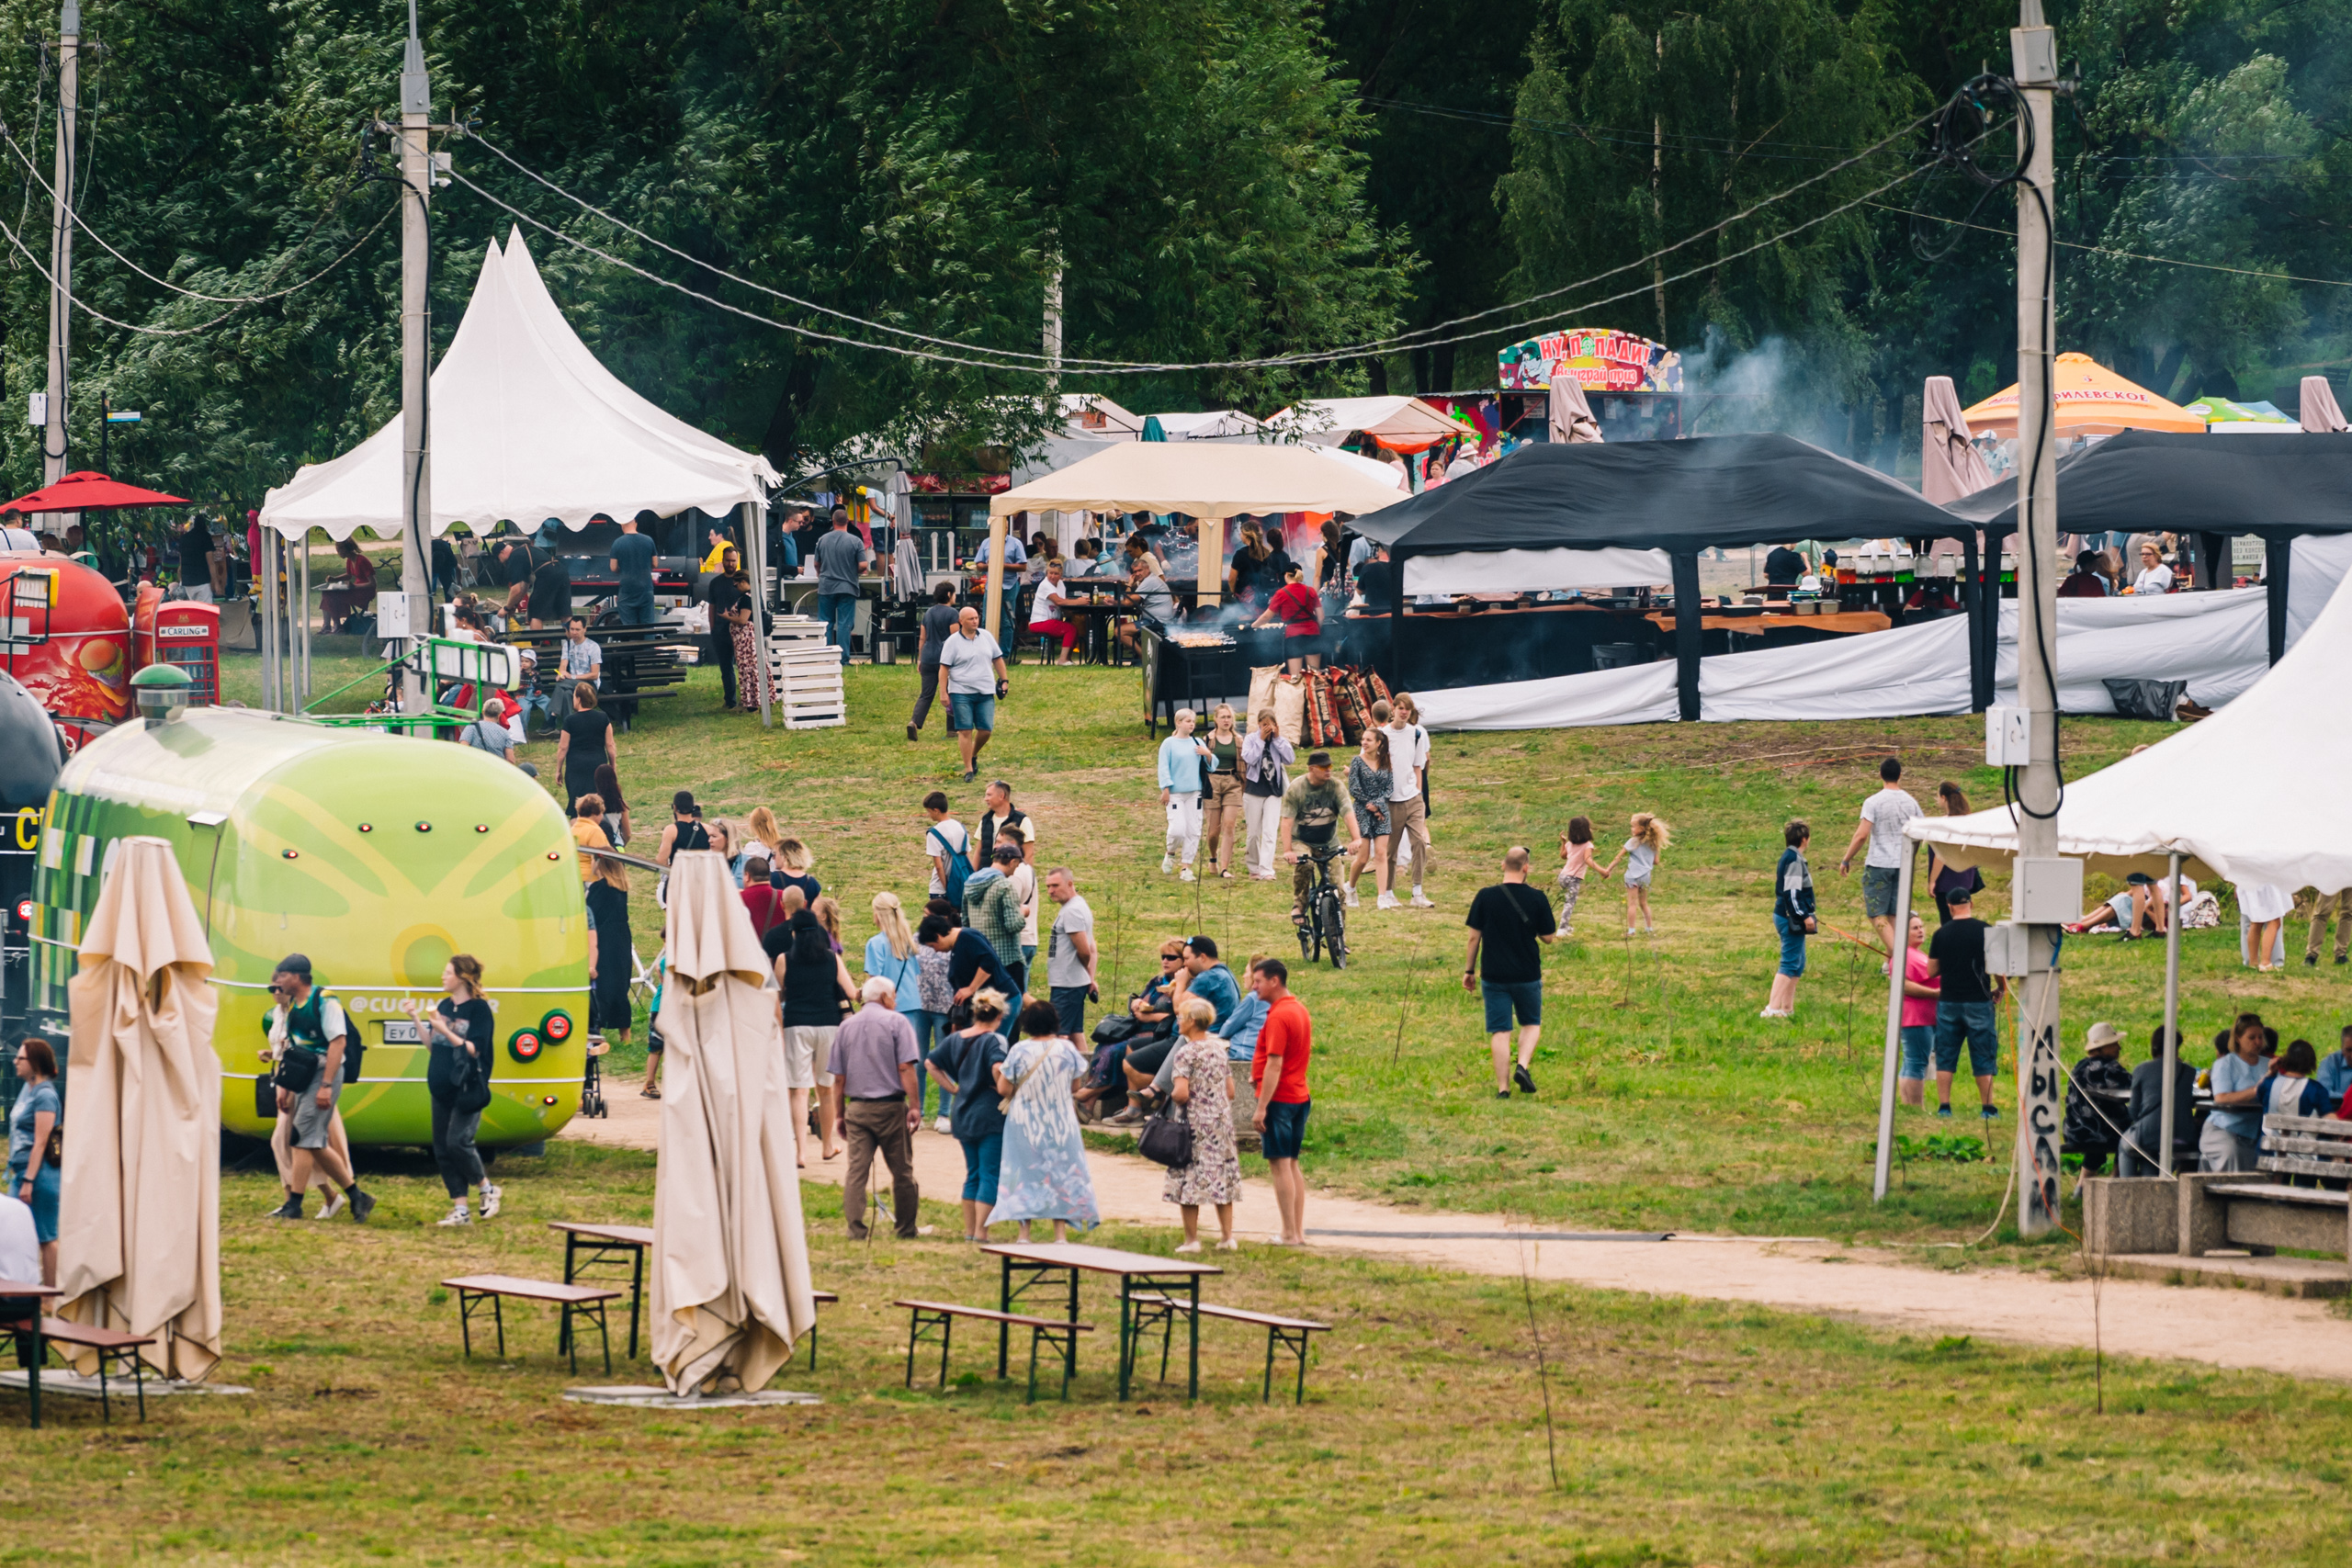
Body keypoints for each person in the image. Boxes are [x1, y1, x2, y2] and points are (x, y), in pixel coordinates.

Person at [260, 956, 378, 1223]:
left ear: (298, 976)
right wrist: (283, 1083)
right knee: (314, 1142)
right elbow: (294, 1047)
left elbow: (338, 1043)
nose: (277, 983)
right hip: (303, 1074)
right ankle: (357, 1196)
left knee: (302, 1137)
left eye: (282, 976)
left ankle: (295, 1205)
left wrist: (326, 1085)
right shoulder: (295, 1006)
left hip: (324, 1073)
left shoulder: (325, 1000)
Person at [402, 955, 502, 1226]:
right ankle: (460, 1210)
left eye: (447, 973)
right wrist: (416, 1019)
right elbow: (433, 1046)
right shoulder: (444, 1005)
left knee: (458, 1141)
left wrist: (444, 1029)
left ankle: (487, 1188)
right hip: (441, 1084)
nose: (443, 977)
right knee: (442, 1148)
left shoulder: (479, 1010)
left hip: (467, 1085)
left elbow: (473, 1049)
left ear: (462, 977)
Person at [989, 998, 1100, 1242]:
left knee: (1024, 1171)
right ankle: (1060, 1233)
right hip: (1060, 1121)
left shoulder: (1019, 1050)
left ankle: (1024, 1233)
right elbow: (1075, 1085)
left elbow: (1004, 1088)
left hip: (1024, 1122)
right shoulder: (1067, 1049)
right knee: (1061, 1172)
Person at [829, 976, 924, 1239]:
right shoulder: (897, 1022)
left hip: (857, 1109)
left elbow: (838, 1078)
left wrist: (839, 1113)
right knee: (902, 1171)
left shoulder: (846, 1027)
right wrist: (914, 1106)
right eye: (893, 996)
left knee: (856, 1172)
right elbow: (905, 1067)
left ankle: (856, 1229)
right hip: (891, 1108)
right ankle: (905, 1228)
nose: (895, 1001)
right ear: (884, 998)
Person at [1464, 847, 1559, 1098]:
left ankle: (1503, 1089)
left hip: (1494, 974)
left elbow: (1474, 938)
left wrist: (1469, 970)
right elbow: (1549, 938)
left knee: (1501, 1030)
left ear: (1502, 865)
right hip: (1527, 973)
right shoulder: (1537, 898)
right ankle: (1522, 1065)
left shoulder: (1485, 896)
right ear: (1526, 868)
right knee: (1531, 1023)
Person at [773, 900, 856, 1165]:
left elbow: (775, 997)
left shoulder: (784, 960)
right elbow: (852, 992)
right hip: (829, 1025)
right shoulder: (833, 959)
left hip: (796, 1024)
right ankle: (828, 1145)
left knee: (799, 1090)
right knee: (826, 1090)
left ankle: (800, 1152)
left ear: (794, 933)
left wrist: (778, 1024)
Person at [927, 990, 1011, 1240]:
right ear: (999, 1016)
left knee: (972, 1173)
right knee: (989, 1173)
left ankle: (969, 1231)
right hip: (989, 1114)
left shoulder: (955, 1039)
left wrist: (953, 1088)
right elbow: (998, 1066)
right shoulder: (995, 1041)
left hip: (962, 1112)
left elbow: (931, 1064)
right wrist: (1003, 1087)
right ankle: (981, 1232)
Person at [1165, 994, 1244, 1252]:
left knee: (1190, 1177)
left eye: (1181, 1017)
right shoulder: (1219, 1050)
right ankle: (1227, 1236)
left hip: (1194, 1125)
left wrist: (1168, 1099)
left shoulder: (1185, 1054)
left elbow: (1181, 1092)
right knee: (1221, 1174)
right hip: (1220, 1123)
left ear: (1191, 1021)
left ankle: (1192, 1240)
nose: (1178, 1021)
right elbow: (1230, 1090)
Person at [1924, 886, 2005, 1120]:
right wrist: (2000, 988)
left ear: (1949, 906)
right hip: (1979, 1001)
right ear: (1971, 904)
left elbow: (1931, 971)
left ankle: (1944, 1107)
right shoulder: (1985, 930)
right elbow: (1996, 967)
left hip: (1949, 1001)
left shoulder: (1941, 933)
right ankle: (1988, 1108)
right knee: (1983, 1055)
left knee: (1946, 1055)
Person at [1250, 959, 1312, 1247]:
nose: (1253, 986)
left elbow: (1275, 1063)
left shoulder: (1277, 1016)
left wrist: (1262, 1106)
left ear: (1274, 981)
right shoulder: (1298, 1009)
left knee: (1280, 1165)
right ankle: (1297, 1231)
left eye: (1258, 981)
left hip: (1280, 1099)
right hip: (1299, 1095)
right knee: (1292, 1164)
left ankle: (1288, 1232)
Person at [572, 795, 636, 1059]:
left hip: (601, 937)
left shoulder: (598, 889)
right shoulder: (622, 887)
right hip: (620, 936)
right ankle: (626, 1033)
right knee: (620, 984)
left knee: (600, 985)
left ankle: (596, 1029)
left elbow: (592, 915)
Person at [1838, 757, 1921, 954]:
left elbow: (1862, 835)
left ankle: (1903, 960)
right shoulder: (1911, 803)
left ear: (1880, 775)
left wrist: (1846, 859)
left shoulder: (1873, 802)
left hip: (1879, 863)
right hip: (1903, 863)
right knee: (1894, 913)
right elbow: (1919, 833)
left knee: (1877, 913)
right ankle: (1892, 962)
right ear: (1900, 775)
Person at [1278, 750, 1359, 924]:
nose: (1328, 770)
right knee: (1305, 863)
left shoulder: (1336, 787)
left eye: (1330, 766)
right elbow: (1286, 821)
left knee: (1339, 890)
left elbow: (1347, 812)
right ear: (1312, 769)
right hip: (1302, 840)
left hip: (1328, 842)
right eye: (1324, 767)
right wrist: (1288, 851)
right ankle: (1299, 905)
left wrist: (1356, 839)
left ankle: (1338, 936)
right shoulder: (1297, 788)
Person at [6, 1038, 61, 1282]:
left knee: (45, 1236)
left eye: (21, 1058)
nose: (15, 1061)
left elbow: (41, 1140)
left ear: (35, 1062)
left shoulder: (45, 1095)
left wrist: (29, 1179)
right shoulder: (27, 1090)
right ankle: (16, 1287)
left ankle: (49, 1295)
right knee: (10, 1227)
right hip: (21, 1171)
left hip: (39, 1174)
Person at [939, 605, 1008, 783]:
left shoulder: (986, 636)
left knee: (986, 730)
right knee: (965, 730)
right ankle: (969, 769)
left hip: (985, 690)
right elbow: (944, 668)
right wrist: (943, 692)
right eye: (971, 618)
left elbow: (997, 659)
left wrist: (1004, 680)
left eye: (976, 617)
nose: (975, 621)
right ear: (961, 621)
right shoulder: (952, 642)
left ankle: (973, 754)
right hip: (961, 691)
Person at [1377, 694, 1434, 908]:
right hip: (1390, 800)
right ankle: (1389, 891)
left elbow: (1418, 766)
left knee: (1419, 841)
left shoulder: (1418, 733)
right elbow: (1369, 760)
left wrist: (1418, 794)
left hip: (1413, 798)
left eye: (1407, 709)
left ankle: (1417, 892)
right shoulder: (1382, 735)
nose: (1404, 712)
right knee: (1390, 850)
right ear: (1393, 709)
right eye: (1400, 708)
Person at [2063, 1022, 2134, 1178]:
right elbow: (2135, 1085)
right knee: (2132, 1133)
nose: (2119, 1048)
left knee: (2104, 1129)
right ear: (2102, 1048)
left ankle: (2082, 1186)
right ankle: (2116, 1179)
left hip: (2074, 1130)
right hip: (2096, 1133)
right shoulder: (2109, 1067)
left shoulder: (2080, 1066)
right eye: (2114, 1044)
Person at [2120, 1027, 2194, 1176]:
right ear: (2177, 1047)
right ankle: (2151, 1191)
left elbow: (2133, 1113)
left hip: (2150, 1134)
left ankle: (2126, 1189)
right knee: (2149, 1154)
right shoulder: (2189, 1071)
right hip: (2182, 1137)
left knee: (2125, 1147)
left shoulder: (2142, 1069)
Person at [918, 912, 1020, 1019]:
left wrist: (971, 988)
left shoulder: (968, 937)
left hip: (1001, 1001)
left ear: (938, 936)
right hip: (984, 1006)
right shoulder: (956, 945)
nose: (936, 950)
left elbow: (989, 960)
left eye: (933, 946)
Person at [1763, 821, 1816, 1019]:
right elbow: (1792, 892)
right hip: (1790, 918)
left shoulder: (1792, 857)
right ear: (1804, 839)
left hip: (1788, 916)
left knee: (1798, 963)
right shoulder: (1794, 860)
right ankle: (1772, 1008)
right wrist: (1803, 916)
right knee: (1789, 963)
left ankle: (1787, 1009)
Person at [2204, 1015, 2268, 1171]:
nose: (2258, 1042)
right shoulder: (2225, 1064)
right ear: (2238, 1039)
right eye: (2252, 1038)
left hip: (2257, 1132)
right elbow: (2221, 1098)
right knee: (2232, 1153)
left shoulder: (2267, 1064)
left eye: (2260, 1037)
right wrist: (2255, 1090)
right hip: (2224, 1130)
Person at [967, 841, 1031, 994]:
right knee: (1011, 1011)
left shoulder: (970, 883)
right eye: (1016, 866)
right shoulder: (1005, 886)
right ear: (1013, 862)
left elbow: (966, 922)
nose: (1015, 871)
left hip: (980, 962)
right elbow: (1013, 925)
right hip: (1007, 961)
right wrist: (1022, 912)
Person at [1891, 913, 1942, 1105]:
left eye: (1921, 927)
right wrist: (1936, 993)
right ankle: (1915, 1105)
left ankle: (1908, 1105)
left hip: (1921, 1017)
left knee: (1912, 1061)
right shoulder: (1905, 955)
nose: (1920, 931)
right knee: (1917, 1062)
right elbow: (1903, 985)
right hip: (1916, 1018)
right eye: (1915, 928)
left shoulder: (1917, 954)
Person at [1043, 866, 1099, 1040]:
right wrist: (1089, 977)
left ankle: (1060, 1067)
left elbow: (1085, 950)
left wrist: (1085, 971)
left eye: (1055, 886)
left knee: (1058, 1034)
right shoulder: (1076, 905)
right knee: (1075, 1033)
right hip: (1072, 981)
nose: (1051, 891)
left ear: (1070, 884)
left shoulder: (1072, 911)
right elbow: (1093, 947)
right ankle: (1087, 1067)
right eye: (1048, 886)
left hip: (1067, 984)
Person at [1158, 706, 1212, 882]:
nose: (1192, 724)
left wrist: (1208, 754)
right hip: (1175, 793)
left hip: (1194, 793)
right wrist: (1166, 789)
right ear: (1178, 722)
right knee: (1177, 829)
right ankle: (1170, 852)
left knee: (1193, 830)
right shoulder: (1169, 744)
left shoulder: (1197, 742)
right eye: (1188, 721)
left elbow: (1212, 765)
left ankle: (1186, 867)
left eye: (1193, 722)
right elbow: (1164, 766)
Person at [1239, 708, 1293, 881]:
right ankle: (1253, 867)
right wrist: (1261, 741)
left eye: (1270, 725)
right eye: (1264, 725)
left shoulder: (1279, 741)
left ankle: (1266, 869)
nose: (1267, 729)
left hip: (1273, 791)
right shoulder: (1250, 739)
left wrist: (1277, 739)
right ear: (1258, 725)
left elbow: (1290, 759)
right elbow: (1249, 759)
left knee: (1270, 832)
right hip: (1254, 790)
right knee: (1254, 833)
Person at [1343, 728, 1394, 910]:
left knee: (1381, 854)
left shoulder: (1386, 761)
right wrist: (1370, 805)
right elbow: (1354, 788)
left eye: (1369, 740)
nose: (1364, 743)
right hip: (1362, 811)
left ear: (1378, 743)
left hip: (1381, 812)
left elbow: (1389, 788)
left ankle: (1382, 897)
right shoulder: (1357, 761)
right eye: (1363, 739)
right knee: (1363, 858)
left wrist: (1378, 806)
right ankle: (1350, 886)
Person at [1194, 704, 1246, 878]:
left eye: (1229, 717)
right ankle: (1213, 857)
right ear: (1215, 719)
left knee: (1229, 825)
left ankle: (1224, 868)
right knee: (1213, 830)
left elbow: (1244, 764)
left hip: (1232, 782)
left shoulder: (1239, 740)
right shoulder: (1207, 740)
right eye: (1222, 717)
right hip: (1213, 781)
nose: (1226, 720)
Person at [1599, 813, 1669, 936]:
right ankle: (1649, 929)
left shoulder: (1633, 842)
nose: (1631, 829)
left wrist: (1608, 870)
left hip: (1632, 876)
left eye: (1633, 826)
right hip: (1646, 877)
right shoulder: (1653, 843)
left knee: (1632, 904)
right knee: (1644, 903)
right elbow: (1656, 861)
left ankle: (1631, 931)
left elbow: (1618, 857)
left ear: (1641, 828)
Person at [907, 581, 962, 741]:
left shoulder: (928, 613)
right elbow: (955, 639)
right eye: (954, 593)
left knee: (926, 694)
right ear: (949, 595)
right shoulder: (952, 613)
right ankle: (952, 729)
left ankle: (914, 722)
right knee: (952, 691)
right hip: (945, 659)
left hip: (928, 657)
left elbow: (922, 637)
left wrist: (920, 659)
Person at [813, 508, 868, 663]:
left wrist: (820, 573)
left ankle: (826, 657)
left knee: (826, 622)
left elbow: (816, 563)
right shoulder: (855, 541)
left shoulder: (822, 539)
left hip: (826, 587)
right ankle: (843, 659)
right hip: (847, 586)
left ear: (833, 521)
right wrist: (853, 570)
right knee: (844, 623)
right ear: (848, 522)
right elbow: (863, 565)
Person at [1926, 782, 1983, 925]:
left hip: (1947, 880)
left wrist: (1932, 880)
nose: (1936, 799)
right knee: (1963, 919)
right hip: (1965, 879)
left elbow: (1942, 855)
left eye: (1937, 796)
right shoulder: (1969, 822)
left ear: (1944, 798)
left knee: (1948, 922)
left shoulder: (1945, 825)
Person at [1251, 560, 1324, 674]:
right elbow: (1321, 616)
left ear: (1286, 575)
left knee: (1295, 678)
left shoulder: (1281, 593)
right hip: (1313, 634)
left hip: (1294, 637)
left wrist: (1252, 626)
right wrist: (1316, 629)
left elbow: (1266, 617)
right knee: (1315, 676)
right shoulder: (1311, 591)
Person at [554, 682, 616, 814]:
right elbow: (610, 745)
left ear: (578, 699)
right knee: (598, 803)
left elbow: (563, 747)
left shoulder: (570, 721)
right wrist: (612, 766)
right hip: (597, 763)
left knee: (577, 804)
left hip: (576, 766)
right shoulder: (603, 718)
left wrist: (558, 770)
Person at [723, 562, 772, 714]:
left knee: (748, 670)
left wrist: (727, 617)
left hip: (747, 641)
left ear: (744, 582)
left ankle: (752, 704)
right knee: (756, 669)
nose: (736, 588)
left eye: (737, 585)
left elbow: (743, 620)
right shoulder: (756, 595)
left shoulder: (746, 598)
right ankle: (762, 699)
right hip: (753, 639)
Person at [2263, 1040, 2331, 1129]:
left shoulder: (2268, 1084)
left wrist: (2270, 1072)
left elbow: (2258, 1092)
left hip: (2269, 1141)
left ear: (2286, 1059)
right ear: (2311, 1062)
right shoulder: (2316, 1090)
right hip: (2302, 1142)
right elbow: (2328, 1115)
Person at [703, 558, 742, 709]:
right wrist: (712, 628)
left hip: (740, 631)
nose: (730, 564)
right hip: (720, 630)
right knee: (726, 668)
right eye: (728, 561)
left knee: (744, 667)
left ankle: (749, 700)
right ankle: (730, 701)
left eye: (733, 561)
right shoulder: (715, 583)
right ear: (723, 561)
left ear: (737, 561)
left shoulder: (743, 582)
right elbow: (711, 606)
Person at [922, 790, 972, 907]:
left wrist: (948, 890)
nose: (928, 815)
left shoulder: (934, 833)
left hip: (940, 889)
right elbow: (967, 857)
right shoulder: (960, 827)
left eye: (929, 811)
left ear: (936, 810)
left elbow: (939, 866)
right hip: (961, 884)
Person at [1029, 558, 1082, 664]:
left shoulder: (1061, 584)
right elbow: (1058, 601)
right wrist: (1078, 601)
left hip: (1051, 621)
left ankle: (1068, 659)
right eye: (1050, 573)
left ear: (1061, 574)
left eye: (1056, 574)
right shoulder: (1045, 585)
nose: (1052, 576)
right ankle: (1062, 660)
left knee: (1075, 628)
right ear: (1047, 573)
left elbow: (1064, 601)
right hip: (1039, 622)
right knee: (1069, 629)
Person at [609, 513, 659, 626]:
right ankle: (649, 642)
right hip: (645, 588)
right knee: (648, 626)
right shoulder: (648, 540)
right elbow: (655, 564)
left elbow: (613, 567)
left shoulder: (617, 543)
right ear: (635, 523)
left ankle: (632, 642)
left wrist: (622, 570)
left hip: (627, 589)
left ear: (622, 525)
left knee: (629, 627)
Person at [973, 780, 1035, 868]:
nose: (985, 799)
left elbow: (1029, 854)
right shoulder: (985, 820)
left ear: (1002, 796)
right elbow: (978, 852)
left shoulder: (1022, 820)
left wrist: (1024, 876)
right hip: (986, 876)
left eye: (989, 795)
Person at [1555, 816, 1596, 935]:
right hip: (1573, 878)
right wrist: (1602, 870)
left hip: (1563, 876)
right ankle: (1562, 928)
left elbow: (1563, 856)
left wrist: (1563, 843)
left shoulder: (1570, 844)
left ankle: (1566, 926)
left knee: (1568, 901)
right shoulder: (1588, 845)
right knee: (1570, 902)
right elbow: (1588, 860)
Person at [655, 790, 713, 870]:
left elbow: (661, 860)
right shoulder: (707, 828)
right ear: (693, 808)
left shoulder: (671, 830)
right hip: (702, 877)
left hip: (681, 878)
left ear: (674, 807)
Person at [2241, 881, 2292, 971]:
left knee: (2256, 921)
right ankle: (2265, 963)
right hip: (2266, 882)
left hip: (2250, 880)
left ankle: (2253, 962)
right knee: (2274, 921)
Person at [174, 515, 220, 603]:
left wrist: (181, 579)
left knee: (194, 610)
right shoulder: (205, 537)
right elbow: (211, 563)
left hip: (187, 581)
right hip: (202, 580)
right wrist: (216, 583)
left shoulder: (184, 538)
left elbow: (181, 562)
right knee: (205, 611)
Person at [527, 545, 573, 630]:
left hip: (547, 574)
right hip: (562, 571)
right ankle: (572, 642)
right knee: (565, 613)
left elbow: (520, 587)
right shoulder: (538, 552)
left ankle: (536, 643)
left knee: (536, 614)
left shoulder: (523, 554)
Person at [2305, 886, 2350, 968]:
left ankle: (2341, 954)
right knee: (2322, 912)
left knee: (2348, 913)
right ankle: (2311, 954)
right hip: (2333, 876)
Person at [770, 838, 820, 905]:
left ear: (785, 856)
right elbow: (819, 910)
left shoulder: (771, 879)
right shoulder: (813, 883)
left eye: (775, 854)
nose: (773, 857)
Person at [559, 615, 603, 690]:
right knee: (566, 693)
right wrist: (561, 673)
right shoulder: (567, 645)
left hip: (589, 683)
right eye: (572, 629)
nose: (574, 632)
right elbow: (563, 664)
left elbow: (595, 675)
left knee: (561, 686)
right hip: (572, 682)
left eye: (577, 630)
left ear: (584, 629)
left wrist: (573, 677)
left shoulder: (593, 646)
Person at [594, 764, 630, 848]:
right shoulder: (620, 804)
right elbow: (627, 834)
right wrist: (621, 843)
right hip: (616, 846)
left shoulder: (593, 802)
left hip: (597, 846)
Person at [2318, 1023, 2352, 1112]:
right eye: (2349, 1050)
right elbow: (2323, 1092)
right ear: (2342, 1048)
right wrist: (2348, 1099)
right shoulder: (2329, 1063)